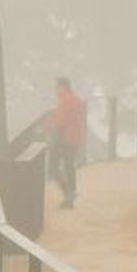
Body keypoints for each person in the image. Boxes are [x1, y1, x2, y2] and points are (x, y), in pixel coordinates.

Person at [44, 76, 86, 208]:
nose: (55, 90)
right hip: (75, 138)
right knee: (69, 166)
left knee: (52, 167)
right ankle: (70, 196)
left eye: (57, 86)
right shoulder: (77, 100)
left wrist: (47, 126)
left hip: (63, 138)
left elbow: (60, 122)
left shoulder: (64, 100)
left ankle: (68, 192)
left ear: (62, 87)